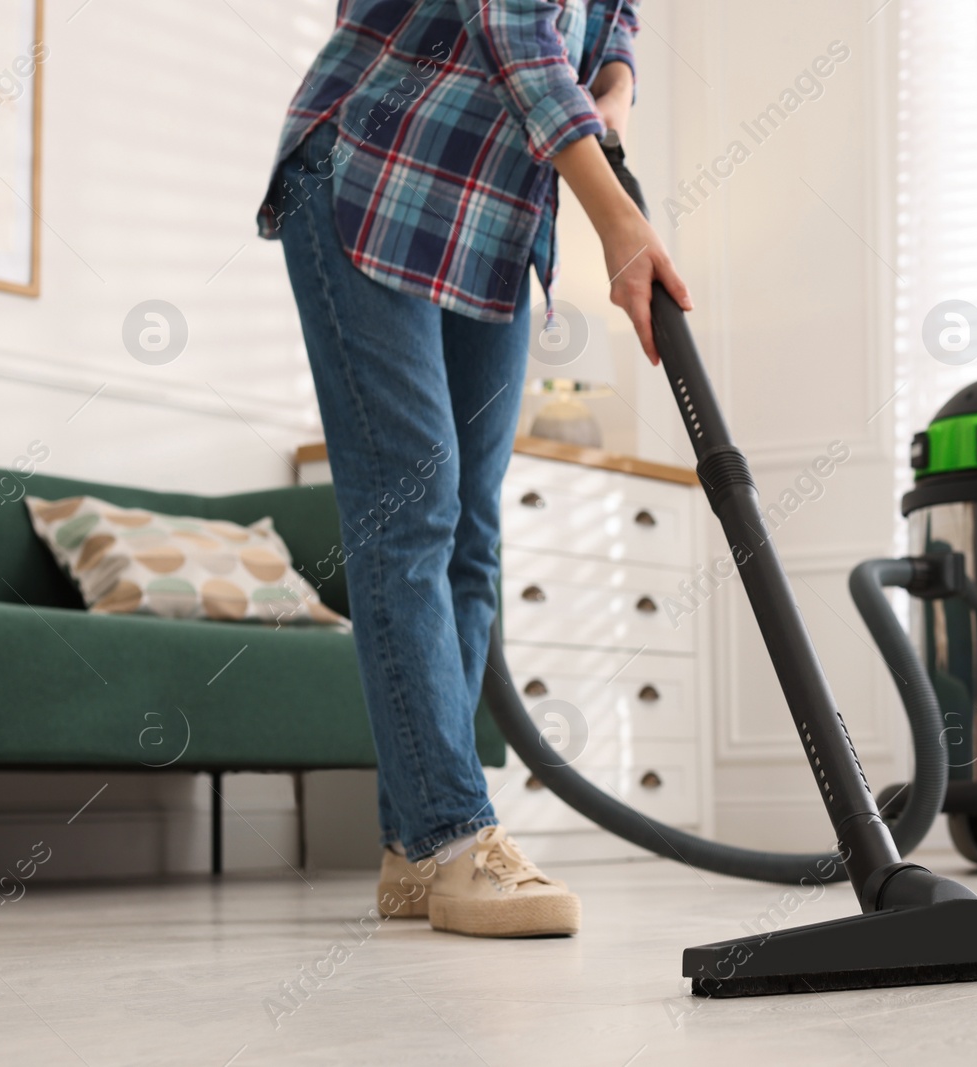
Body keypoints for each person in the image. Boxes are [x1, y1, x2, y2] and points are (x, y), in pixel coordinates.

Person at [256, 0, 689, 938]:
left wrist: (614, 97)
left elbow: (610, 35)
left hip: (491, 218)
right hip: (372, 171)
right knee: (411, 511)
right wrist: (614, 217)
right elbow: (513, 28)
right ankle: (457, 835)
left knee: (471, 535)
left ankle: (414, 850)